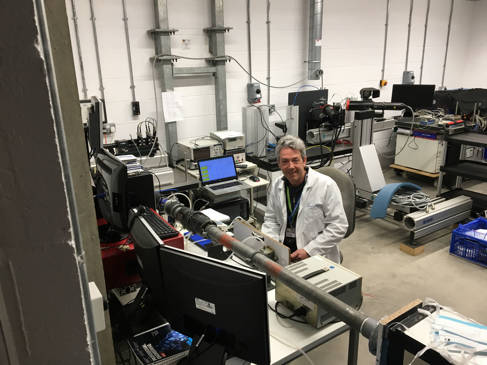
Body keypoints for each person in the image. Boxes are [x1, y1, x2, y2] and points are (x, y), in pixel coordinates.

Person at [261, 135, 348, 263]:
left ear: (304, 160)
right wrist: (274, 244)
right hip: (284, 249)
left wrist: (309, 250)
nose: (291, 166)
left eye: (295, 160)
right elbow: (271, 219)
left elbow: (338, 226)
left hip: (315, 253)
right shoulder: (277, 185)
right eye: (285, 161)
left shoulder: (326, 185)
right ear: (279, 163)